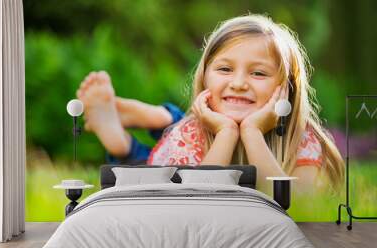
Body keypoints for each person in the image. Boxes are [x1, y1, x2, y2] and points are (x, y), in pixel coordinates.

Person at [77, 14, 345, 191]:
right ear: (204, 78)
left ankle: (156, 120)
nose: (239, 83)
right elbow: (195, 199)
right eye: (225, 69)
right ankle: (130, 138)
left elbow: (300, 206)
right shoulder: (189, 134)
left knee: (179, 124)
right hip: (164, 167)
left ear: (285, 88)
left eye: (259, 73)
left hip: (183, 141)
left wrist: (251, 132)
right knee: (151, 157)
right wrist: (226, 132)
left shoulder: (301, 138)